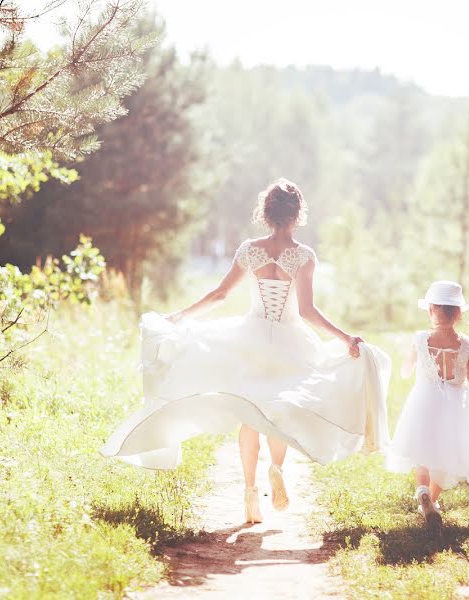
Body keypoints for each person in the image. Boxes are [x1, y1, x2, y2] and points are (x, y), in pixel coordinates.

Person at [101, 178, 391, 524]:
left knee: (248, 414)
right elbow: (308, 311)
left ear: (266, 213)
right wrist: (345, 338)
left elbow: (220, 295)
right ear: (298, 215)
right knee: (277, 412)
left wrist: (179, 316)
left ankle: (250, 493)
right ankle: (278, 469)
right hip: (289, 343)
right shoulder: (303, 256)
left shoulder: (250, 250)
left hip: (249, 338)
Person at [385, 281, 469, 525]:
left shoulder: (420, 339)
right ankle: (433, 502)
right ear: (458, 314)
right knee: (445, 454)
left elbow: (406, 372)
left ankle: (423, 493)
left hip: (424, 400)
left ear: (430, 311)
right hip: (455, 406)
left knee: (422, 451)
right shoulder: (467, 344)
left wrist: (413, 362)